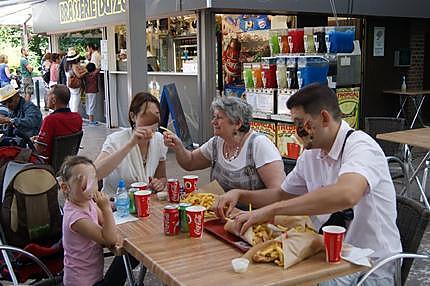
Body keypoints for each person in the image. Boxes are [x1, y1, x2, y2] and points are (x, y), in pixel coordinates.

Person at [217, 84, 402, 285]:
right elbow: (281, 194)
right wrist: (239, 195)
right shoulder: (312, 153)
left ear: (324, 118)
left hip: (369, 265)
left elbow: (347, 195)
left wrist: (270, 211)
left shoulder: (361, 147)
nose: (296, 130)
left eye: (299, 122)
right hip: (328, 255)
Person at [163, 96, 285, 199]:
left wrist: (239, 196)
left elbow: (278, 194)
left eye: (219, 117)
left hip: (254, 218)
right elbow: (190, 162)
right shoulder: (217, 143)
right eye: (214, 117)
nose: (213, 122)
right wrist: (178, 146)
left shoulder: (259, 145)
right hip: (221, 215)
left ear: (237, 123)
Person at [59, 156, 138, 286]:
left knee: (130, 254)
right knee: (129, 256)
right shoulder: (76, 218)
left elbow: (103, 221)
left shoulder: (87, 201)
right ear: (65, 187)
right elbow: (109, 239)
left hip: (93, 276)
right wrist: (106, 209)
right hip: (81, 282)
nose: (90, 185)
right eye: (82, 180)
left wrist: (105, 212)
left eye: (93, 179)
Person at [95, 92, 167, 197]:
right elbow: (94, 173)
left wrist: (159, 183)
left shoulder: (159, 140)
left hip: (145, 203)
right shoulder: (115, 140)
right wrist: (131, 144)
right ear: (133, 116)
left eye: (155, 115)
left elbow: (162, 177)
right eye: (145, 116)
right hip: (115, 205)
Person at [34, 84, 82, 163]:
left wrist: (31, 144)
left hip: (47, 163)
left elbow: (38, 149)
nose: (46, 98)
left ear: (53, 100)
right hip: (68, 162)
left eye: (48, 95)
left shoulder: (50, 120)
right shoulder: (77, 118)